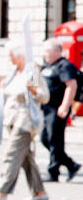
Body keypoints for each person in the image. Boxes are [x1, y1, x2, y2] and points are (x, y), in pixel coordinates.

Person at [0, 42, 49, 200]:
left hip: (26, 120)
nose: (10, 59)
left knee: (11, 154)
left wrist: (33, 90)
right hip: (12, 118)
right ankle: (39, 191)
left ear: (20, 56)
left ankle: (1, 192)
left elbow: (43, 96)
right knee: (26, 157)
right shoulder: (14, 73)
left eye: (11, 56)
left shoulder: (32, 72)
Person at [39, 39, 80, 182]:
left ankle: (53, 171)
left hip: (57, 108)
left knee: (54, 139)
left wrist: (65, 105)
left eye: (47, 51)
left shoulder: (64, 66)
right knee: (45, 138)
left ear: (57, 51)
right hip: (46, 107)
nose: (44, 54)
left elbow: (71, 86)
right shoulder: (46, 66)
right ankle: (70, 164)